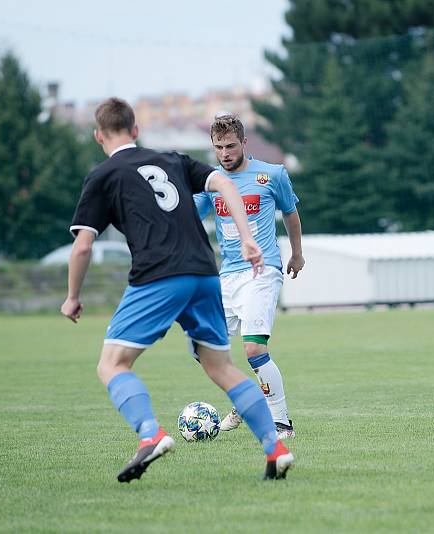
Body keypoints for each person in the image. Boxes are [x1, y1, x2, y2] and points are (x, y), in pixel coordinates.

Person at [61, 98, 294, 483]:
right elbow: (221, 182)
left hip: (158, 274)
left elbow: (83, 245)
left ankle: (150, 433)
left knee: (112, 364)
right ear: (136, 131)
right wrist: (250, 238)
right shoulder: (173, 160)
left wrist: (72, 296)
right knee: (221, 367)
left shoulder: (102, 176)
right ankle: (276, 447)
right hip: (205, 272)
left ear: (98, 135)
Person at [194, 114, 304, 439]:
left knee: (254, 349)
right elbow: (188, 216)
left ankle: (282, 423)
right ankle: (248, 397)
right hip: (226, 277)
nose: (225, 153)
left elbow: (290, 213)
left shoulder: (272, 175)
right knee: (204, 349)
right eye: (218, 147)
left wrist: (297, 254)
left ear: (244, 143)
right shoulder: (211, 183)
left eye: (230, 145)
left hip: (262, 270)